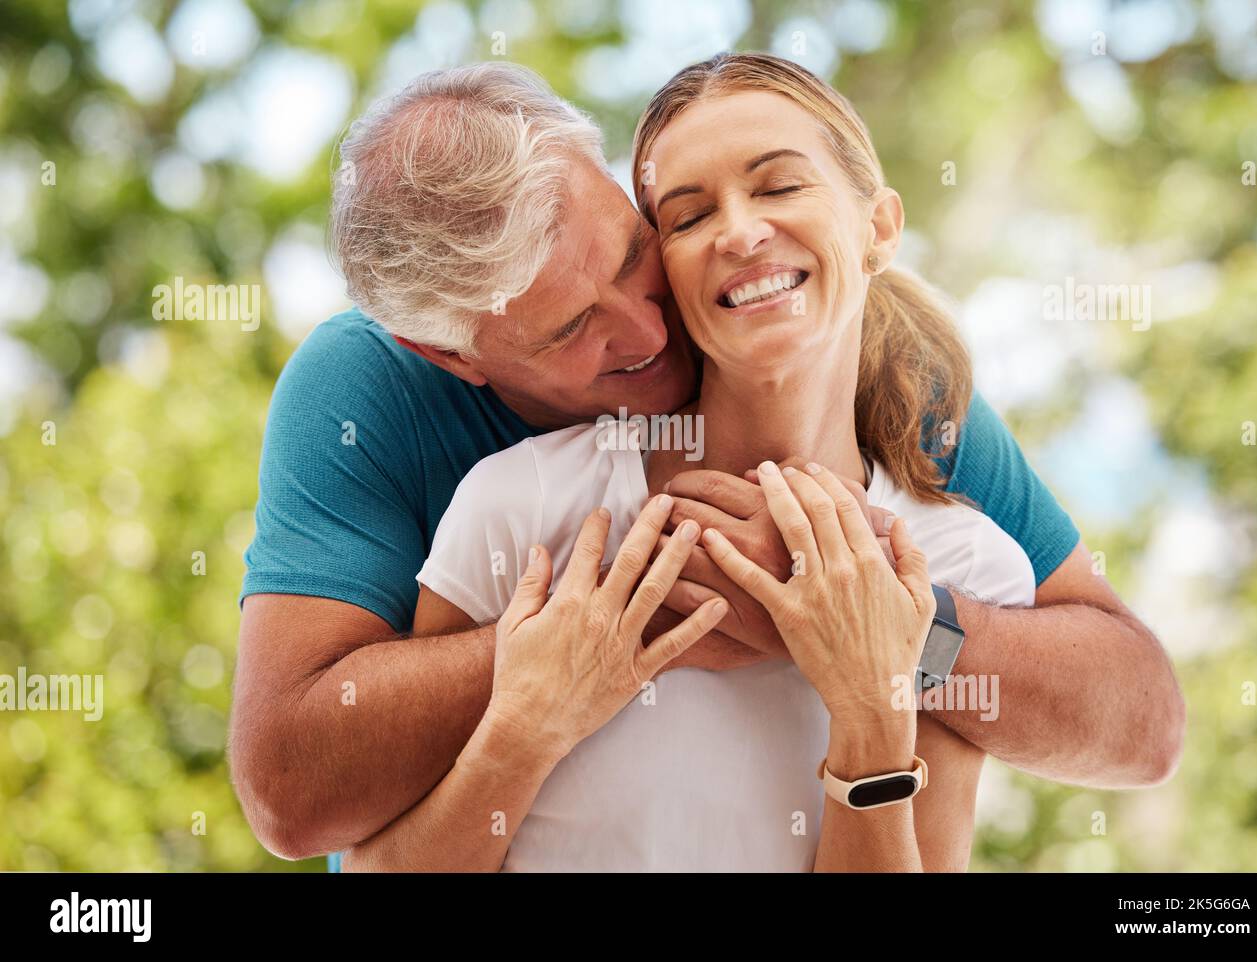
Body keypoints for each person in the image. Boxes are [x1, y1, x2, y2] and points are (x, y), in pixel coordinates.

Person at [229, 62, 1184, 865]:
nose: (648, 329)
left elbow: (1140, 720)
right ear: (452, 357)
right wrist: (613, 618)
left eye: (632, 253)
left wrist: (882, 627)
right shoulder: (398, 414)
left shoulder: (896, 389)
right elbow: (292, 790)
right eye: (570, 329)